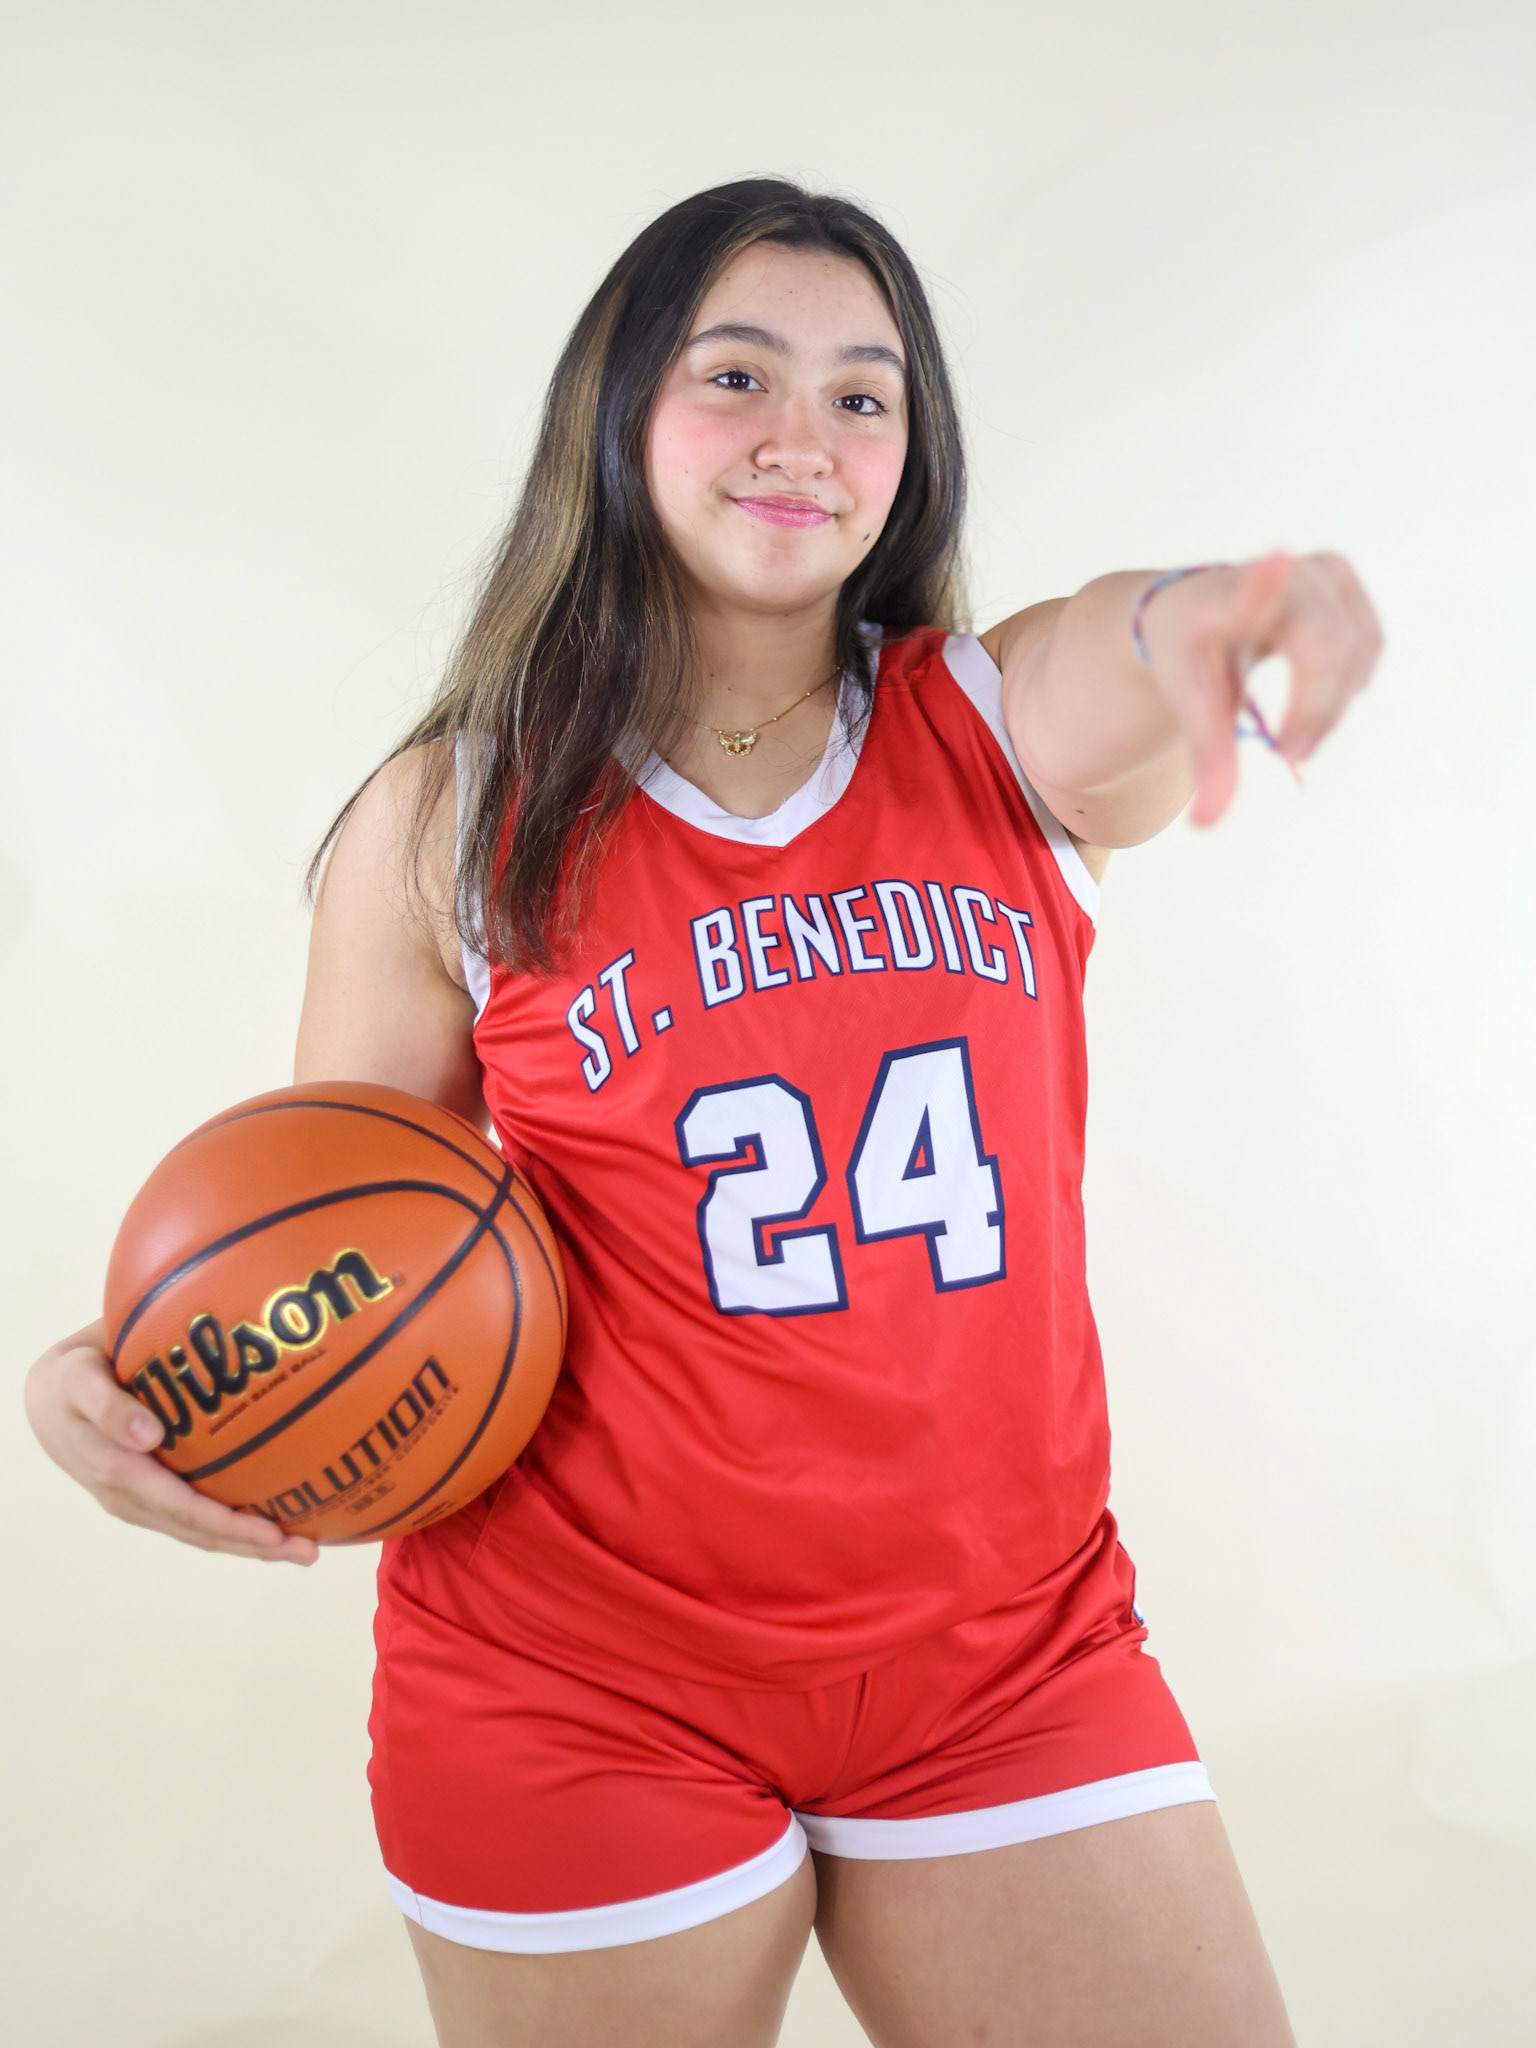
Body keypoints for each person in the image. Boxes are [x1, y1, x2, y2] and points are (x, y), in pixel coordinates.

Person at [24, 178, 1382, 2047]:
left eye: (862, 396)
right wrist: (135, 1378)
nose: (799, 439)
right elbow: (339, 1221)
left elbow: (1120, 646)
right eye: (734, 373)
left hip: (1006, 1655)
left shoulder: (992, 726)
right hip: (574, 1675)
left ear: (914, 456)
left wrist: (1228, 607)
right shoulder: (451, 816)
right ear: (618, 413)